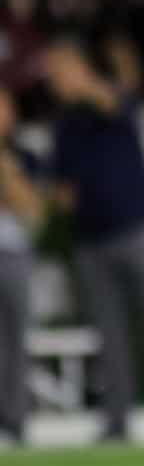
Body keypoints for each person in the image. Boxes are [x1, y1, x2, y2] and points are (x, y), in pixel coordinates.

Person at [45, 40, 144, 441]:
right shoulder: (64, 124)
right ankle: (116, 422)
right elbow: (62, 189)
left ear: (79, 68)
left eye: (59, 72)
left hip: (141, 230)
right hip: (92, 240)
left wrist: (85, 84)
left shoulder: (111, 99)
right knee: (109, 336)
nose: (54, 83)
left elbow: (116, 104)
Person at [0, 87, 45, 445]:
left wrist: (7, 171)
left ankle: (13, 421)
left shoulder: (25, 156)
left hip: (13, 253)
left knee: (15, 340)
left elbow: (33, 212)